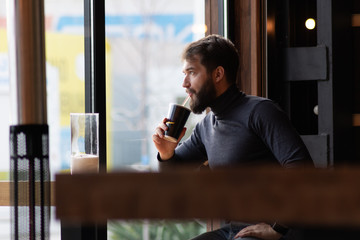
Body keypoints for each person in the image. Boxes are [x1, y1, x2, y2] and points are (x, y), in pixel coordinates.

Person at [152, 34, 313, 240]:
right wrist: (166, 154)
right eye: (184, 73)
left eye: (191, 72)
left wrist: (279, 228)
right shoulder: (207, 126)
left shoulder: (260, 111)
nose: (184, 83)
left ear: (218, 74)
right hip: (234, 231)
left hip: (272, 232)